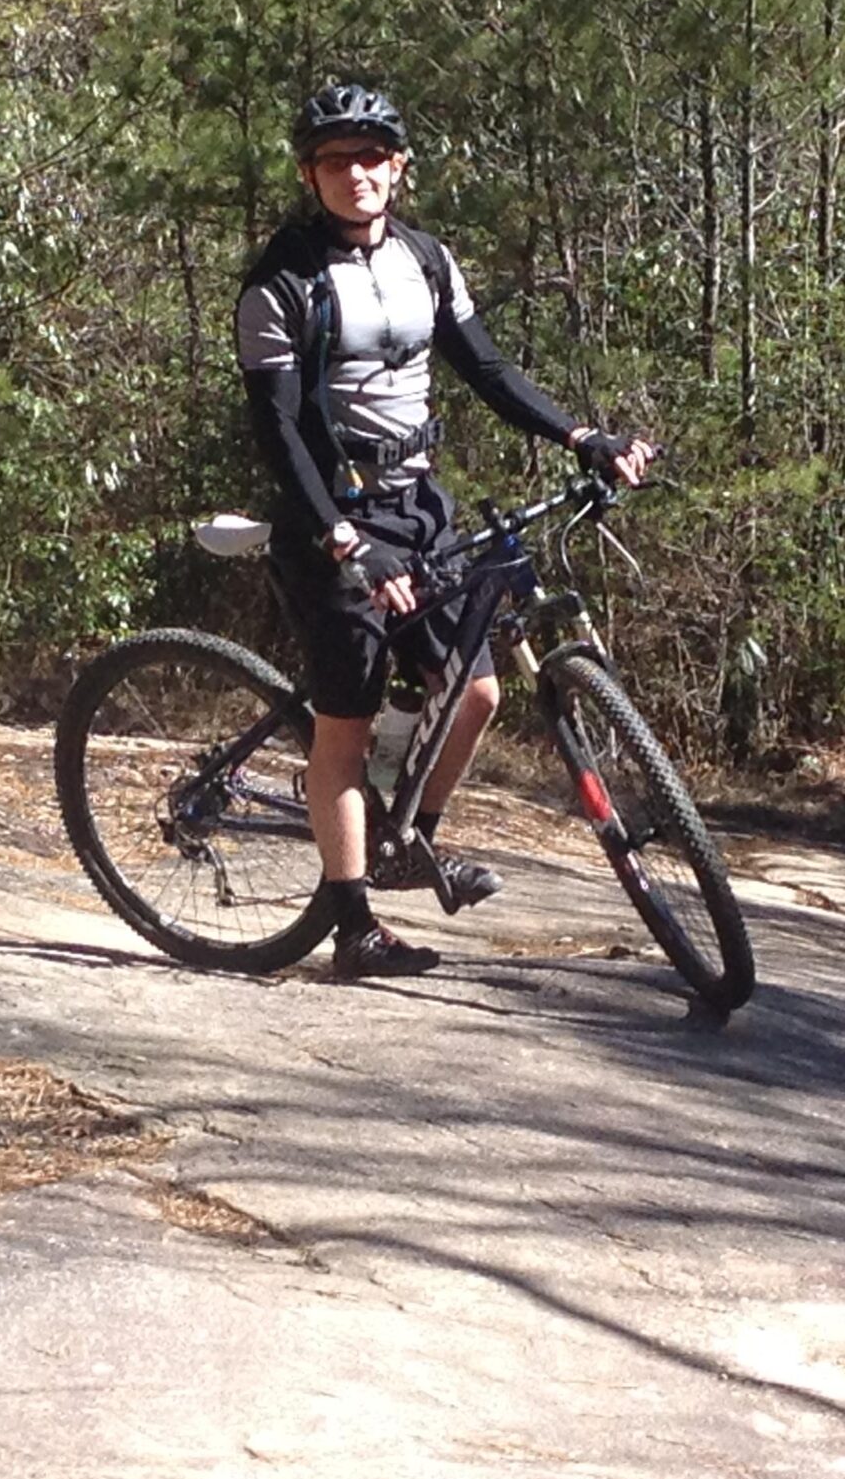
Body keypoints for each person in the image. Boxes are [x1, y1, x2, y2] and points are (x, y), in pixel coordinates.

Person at [235, 83, 654, 980]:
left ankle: (408, 840)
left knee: (475, 691)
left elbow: (487, 368)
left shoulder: (427, 261)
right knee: (342, 731)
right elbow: (278, 435)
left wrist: (581, 436)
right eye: (337, 160)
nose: (358, 174)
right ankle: (353, 928)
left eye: (373, 156)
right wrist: (344, 540)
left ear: (399, 167)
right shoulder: (281, 282)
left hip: (421, 503)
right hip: (334, 516)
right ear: (312, 175)